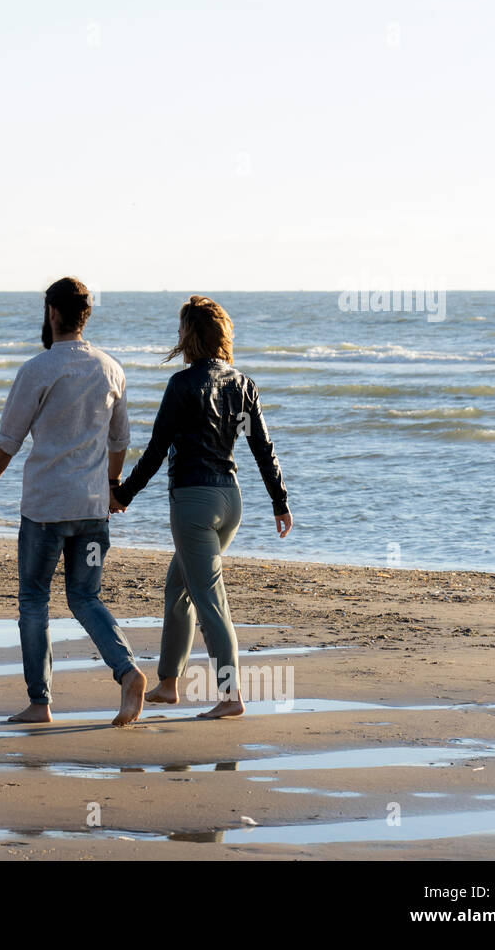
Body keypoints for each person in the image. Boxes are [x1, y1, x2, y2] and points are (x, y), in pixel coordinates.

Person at [0, 277, 146, 727]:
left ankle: (40, 703)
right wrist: (111, 483)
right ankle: (126, 671)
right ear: (86, 316)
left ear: (51, 313)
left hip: (45, 509)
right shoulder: (111, 369)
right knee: (85, 597)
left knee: (33, 600)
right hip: (90, 510)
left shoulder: (38, 370)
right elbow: (120, 439)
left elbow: (8, 442)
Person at [110, 295, 292, 719]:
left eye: (180, 331)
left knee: (210, 600)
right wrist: (279, 502)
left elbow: (156, 451)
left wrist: (122, 495)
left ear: (190, 337)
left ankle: (230, 697)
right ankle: (169, 684)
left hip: (193, 503)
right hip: (230, 500)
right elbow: (263, 448)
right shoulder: (243, 384)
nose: (176, 337)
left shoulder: (183, 386)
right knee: (180, 589)